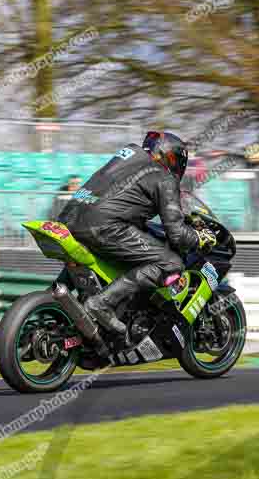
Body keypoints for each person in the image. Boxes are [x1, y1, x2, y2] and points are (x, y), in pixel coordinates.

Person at [57, 132, 216, 335]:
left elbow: (121, 201)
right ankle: (101, 304)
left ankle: (49, 307)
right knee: (171, 263)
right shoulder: (164, 177)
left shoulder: (129, 156)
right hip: (103, 226)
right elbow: (176, 233)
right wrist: (199, 237)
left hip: (69, 218)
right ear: (173, 158)